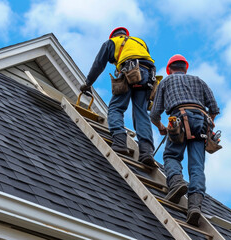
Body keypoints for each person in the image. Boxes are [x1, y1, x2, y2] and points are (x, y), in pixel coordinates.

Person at [150, 54, 220, 226]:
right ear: (185, 68)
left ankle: (176, 182)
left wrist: (161, 127)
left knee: (172, 156)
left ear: (170, 70)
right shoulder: (199, 80)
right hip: (201, 121)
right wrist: (209, 127)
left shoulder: (166, 82)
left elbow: (154, 113)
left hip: (179, 118)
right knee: (197, 166)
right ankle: (195, 206)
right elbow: (214, 108)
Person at [80, 27, 156, 166]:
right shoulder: (140, 42)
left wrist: (88, 83)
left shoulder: (112, 42)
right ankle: (146, 152)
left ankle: (120, 142)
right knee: (141, 113)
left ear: (113, 36)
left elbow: (99, 64)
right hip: (148, 76)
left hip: (129, 70)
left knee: (116, 107)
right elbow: (146, 61)